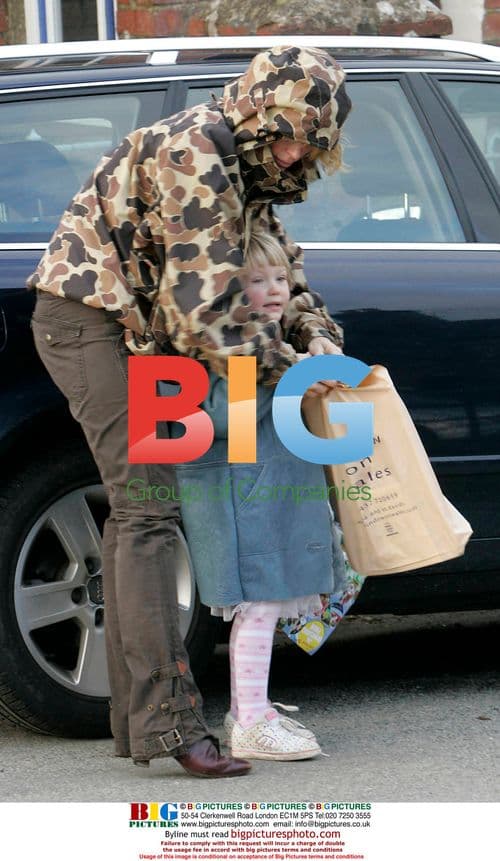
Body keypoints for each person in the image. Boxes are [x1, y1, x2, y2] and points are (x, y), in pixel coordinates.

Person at [28, 44, 351, 777]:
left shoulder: (254, 169)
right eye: (294, 133)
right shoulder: (195, 148)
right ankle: (170, 723)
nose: (300, 153)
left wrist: (321, 342)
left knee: (143, 514)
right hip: (92, 321)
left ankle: (135, 722)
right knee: (145, 509)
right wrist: (291, 371)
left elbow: (281, 279)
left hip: (147, 332)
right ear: (262, 113)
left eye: (313, 142)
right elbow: (209, 311)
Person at [174, 229, 347, 760]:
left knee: (271, 600)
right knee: (259, 603)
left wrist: (315, 348)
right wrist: (285, 378)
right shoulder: (232, 345)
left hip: (273, 497)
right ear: (229, 292)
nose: (273, 290)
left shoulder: (274, 334)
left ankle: (255, 707)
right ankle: (249, 718)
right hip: (246, 503)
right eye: (256, 281)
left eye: (279, 278)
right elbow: (227, 418)